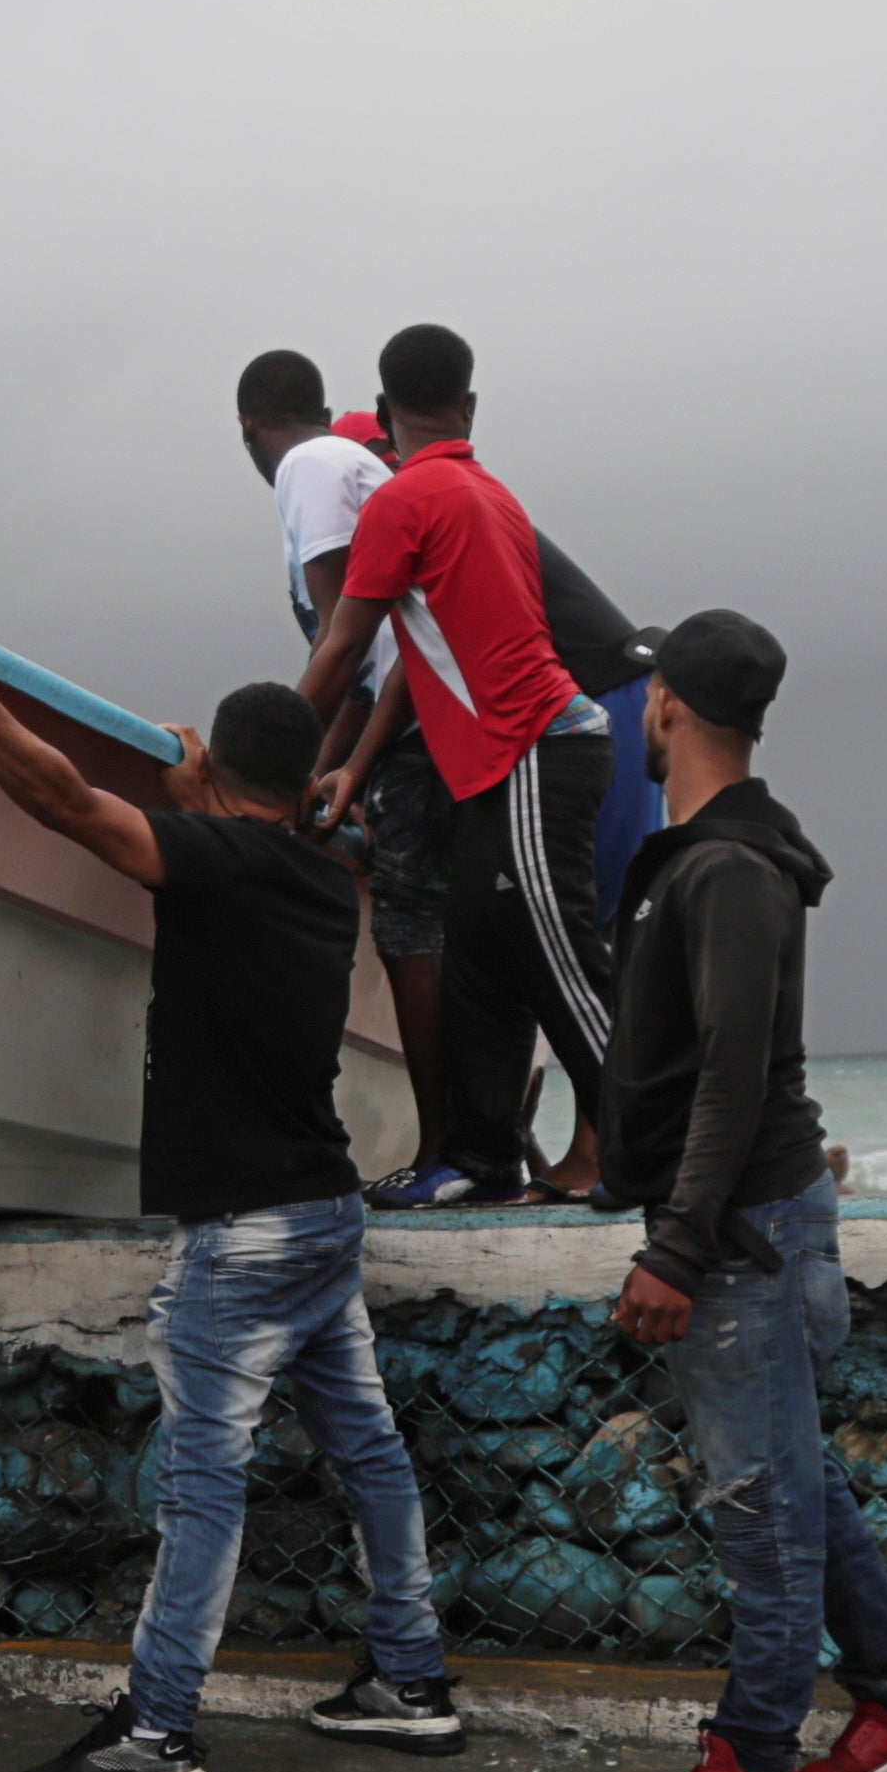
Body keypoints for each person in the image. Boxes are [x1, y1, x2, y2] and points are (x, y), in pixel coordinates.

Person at [0, 608, 458, 1772]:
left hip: (243, 1236)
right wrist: (203, 791)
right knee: (367, 1449)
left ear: (225, 780)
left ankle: (155, 1735)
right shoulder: (315, 879)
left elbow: (58, 798)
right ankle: (410, 1681)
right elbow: (229, 848)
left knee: (202, 1481)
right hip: (320, 1214)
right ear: (306, 780)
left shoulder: (222, 862)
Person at [599, 618, 887, 1772]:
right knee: (797, 1483)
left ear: (662, 706)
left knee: (757, 1506)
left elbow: (731, 1078)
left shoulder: (729, 872)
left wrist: (676, 1248)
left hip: (742, 1233)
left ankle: (753, 1759)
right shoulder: (712, 858)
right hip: (753, 1218)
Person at [300, 326, 618, 1205]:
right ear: (468, 406)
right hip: (507, 767)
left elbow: (341, 651)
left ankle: (656, 1142)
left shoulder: (404, 501)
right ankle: (478, 1161)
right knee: (482, 962)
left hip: (535, 753)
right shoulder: (492, 497)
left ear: (386, 404)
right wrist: (356, 771)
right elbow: (415, 655)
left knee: (558, 959)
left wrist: (266, 762)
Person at [237, 352, 449, 1187]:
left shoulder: (309, 465)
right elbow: (361, 668)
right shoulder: (349, 462)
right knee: (429, 931)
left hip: (424, 723)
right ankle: (461, 1145)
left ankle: (444, 1152)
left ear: (248, 428)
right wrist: (325, 772)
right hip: (410, 715)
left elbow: (346, 639)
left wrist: (260, 776)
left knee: (412, 934)